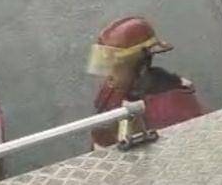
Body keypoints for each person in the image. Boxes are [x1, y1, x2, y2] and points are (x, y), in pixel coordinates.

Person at [87, 16, 205, 148]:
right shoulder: (112, 90)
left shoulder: (172, 107)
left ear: (140, 67)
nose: (107, 75)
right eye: (104, 63)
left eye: (115, 65)